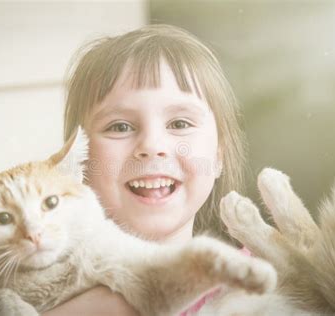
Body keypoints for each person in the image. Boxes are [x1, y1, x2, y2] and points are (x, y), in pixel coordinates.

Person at [44, 24, 246, 316]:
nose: (152, 145)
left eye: (179, 124)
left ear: (218, 156)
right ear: (77, 161)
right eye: (120, 127)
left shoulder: (267, 283)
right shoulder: (47, 304)